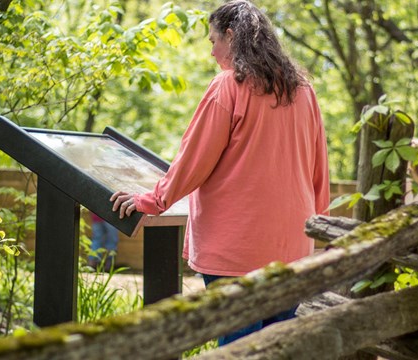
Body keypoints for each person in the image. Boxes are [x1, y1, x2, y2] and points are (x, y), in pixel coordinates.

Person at [111, 0, 330, 345]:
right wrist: (316, 226)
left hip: (237, 250)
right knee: (276, 348)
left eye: (213, 41)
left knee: (238, 348)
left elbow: (194, 160)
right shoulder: (303, 92)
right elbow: (320, 168)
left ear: (231, 36)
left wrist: (152, 200)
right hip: (293, 246)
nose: (212, 52)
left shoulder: (228, 86)